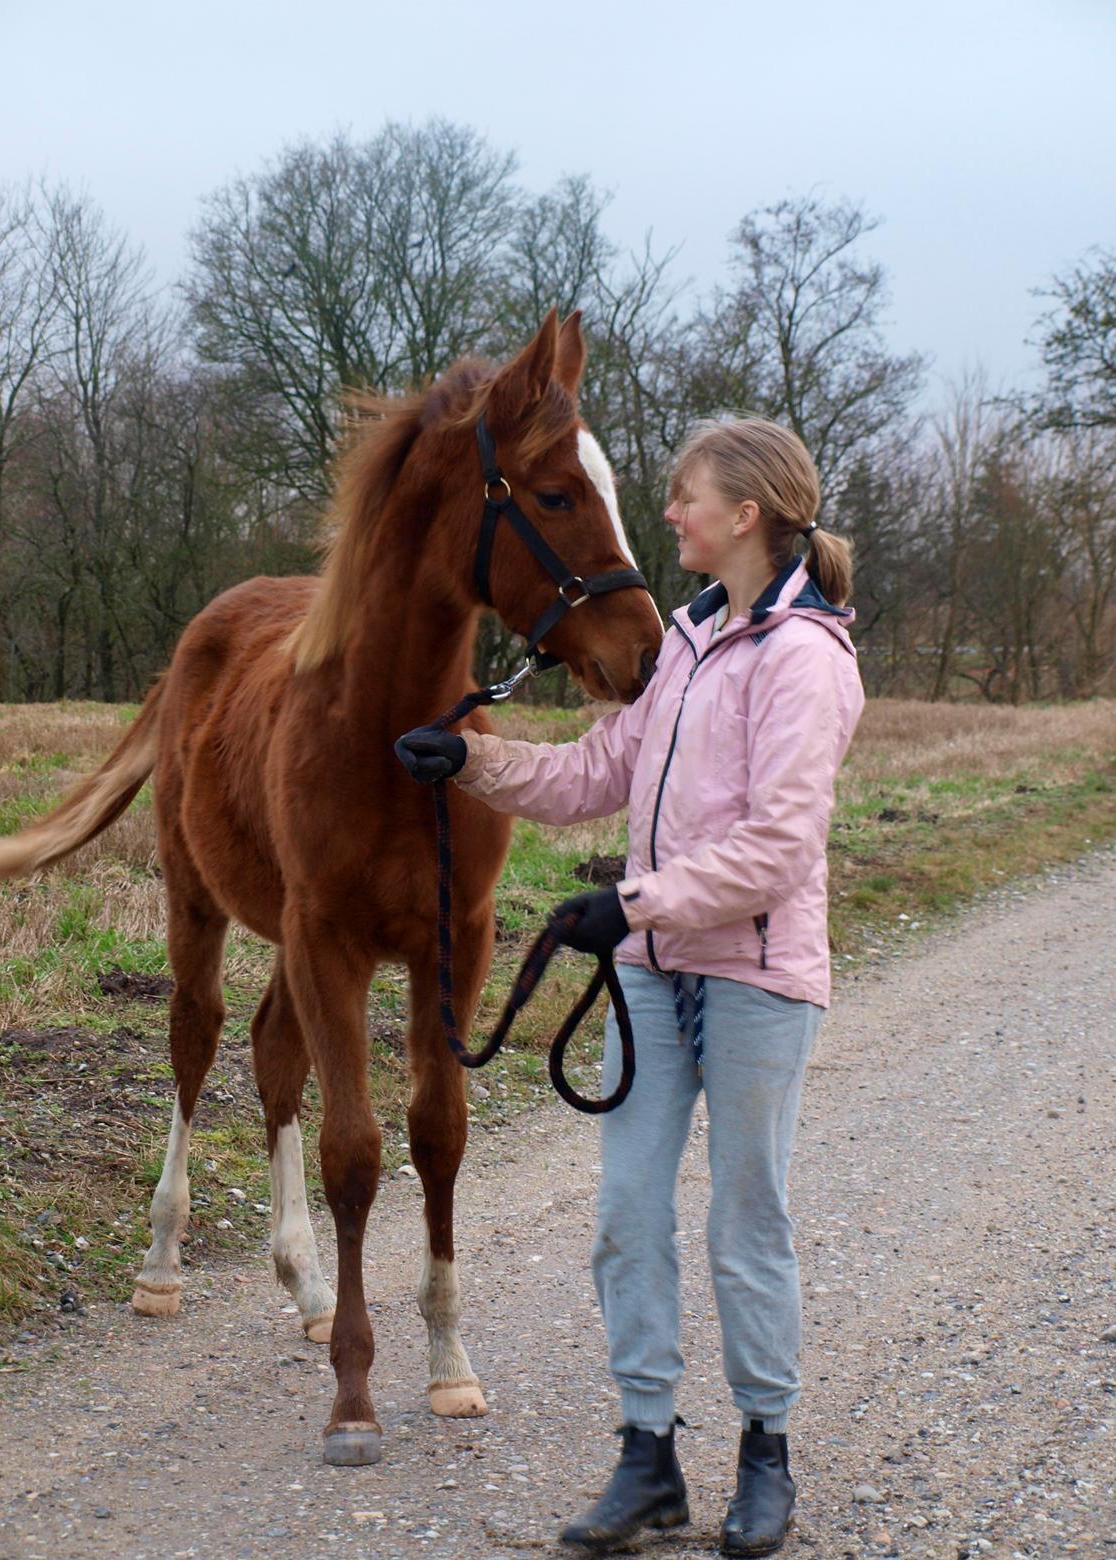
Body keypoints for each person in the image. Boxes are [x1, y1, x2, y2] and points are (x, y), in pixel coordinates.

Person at [396, 417, 865, 1557]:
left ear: (743, 514)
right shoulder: (692, 643)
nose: (668, 515)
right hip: (655, 981)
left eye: (685, 496)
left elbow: (780, 846)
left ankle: (765, 1451)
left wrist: (632, 906)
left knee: (746, 1221)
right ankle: (647, 1455)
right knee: (624, 1219)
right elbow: (602, 769)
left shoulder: (805, 658)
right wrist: (479, 762)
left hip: (754, 980)